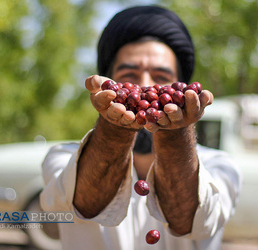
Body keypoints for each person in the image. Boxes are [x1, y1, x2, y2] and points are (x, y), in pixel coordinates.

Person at [40, 5, 242, 250]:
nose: (146, 87)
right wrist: (115, 129)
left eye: (161, 77)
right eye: (129, 75)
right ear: (108, 82)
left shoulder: (220, 167)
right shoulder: (61, 158)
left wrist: (174, 131)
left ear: (182, 85)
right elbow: (85, 202)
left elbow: (189, 221)